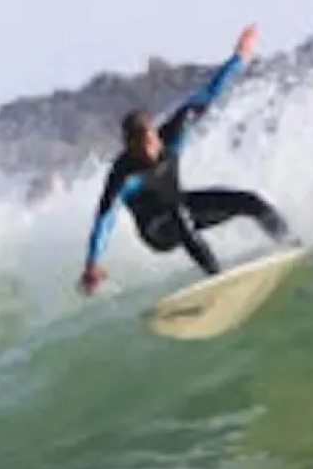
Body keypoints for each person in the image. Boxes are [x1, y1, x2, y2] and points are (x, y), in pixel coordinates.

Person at [77, 23, 298, 295]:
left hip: (180, 209)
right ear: (128, 147)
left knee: (250, 202)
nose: (146, 153)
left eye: (149, 144)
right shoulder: (124, 174)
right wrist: (92, 263)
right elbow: (105, 219)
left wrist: (239, 57)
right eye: (137, 148)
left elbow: (209, 93)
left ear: (155, 136)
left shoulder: (175, 131)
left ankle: (293, 246)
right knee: (179, 216)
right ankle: (219, 281)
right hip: (156, 231)